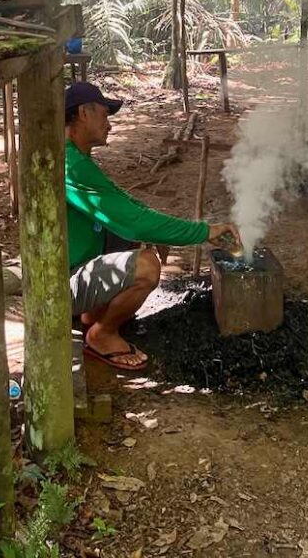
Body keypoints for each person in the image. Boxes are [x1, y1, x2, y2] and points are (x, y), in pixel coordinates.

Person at [65, 81, 241, 371]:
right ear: (84, 113)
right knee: (146, 265)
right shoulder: (71, 165)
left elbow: (122, 202)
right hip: (59, 287)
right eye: (105, 115)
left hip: (74, 268)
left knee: (134, 240)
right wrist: (204, 232)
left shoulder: (75, 157)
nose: (109, 124)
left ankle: (91, 315)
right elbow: (133, 221)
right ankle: (102, 334)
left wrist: (156, 231)